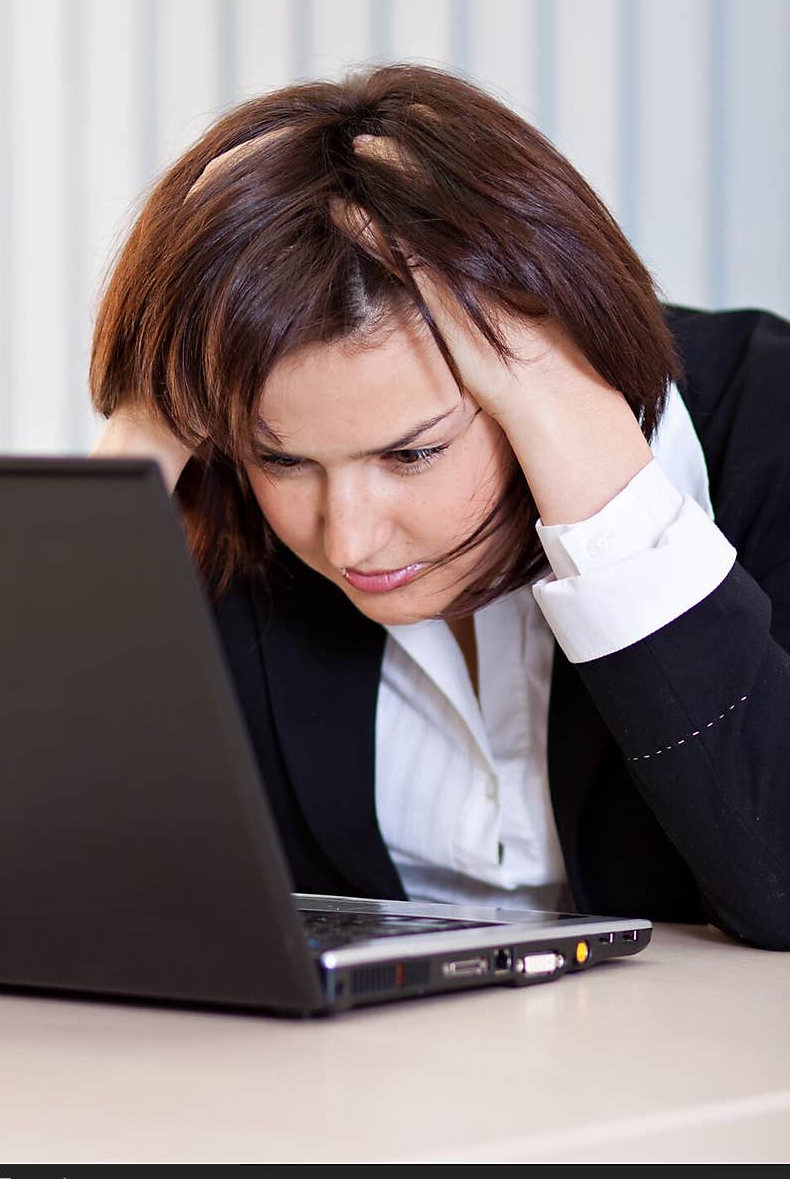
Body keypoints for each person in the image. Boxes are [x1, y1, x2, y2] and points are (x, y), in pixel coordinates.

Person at [89, 63, 790, 950]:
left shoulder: (769, 429)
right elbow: (7, 857)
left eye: (412, 453)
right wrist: (147, 426)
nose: (348, 537)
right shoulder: (224, 505)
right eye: (284, 459)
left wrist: (572, 418)